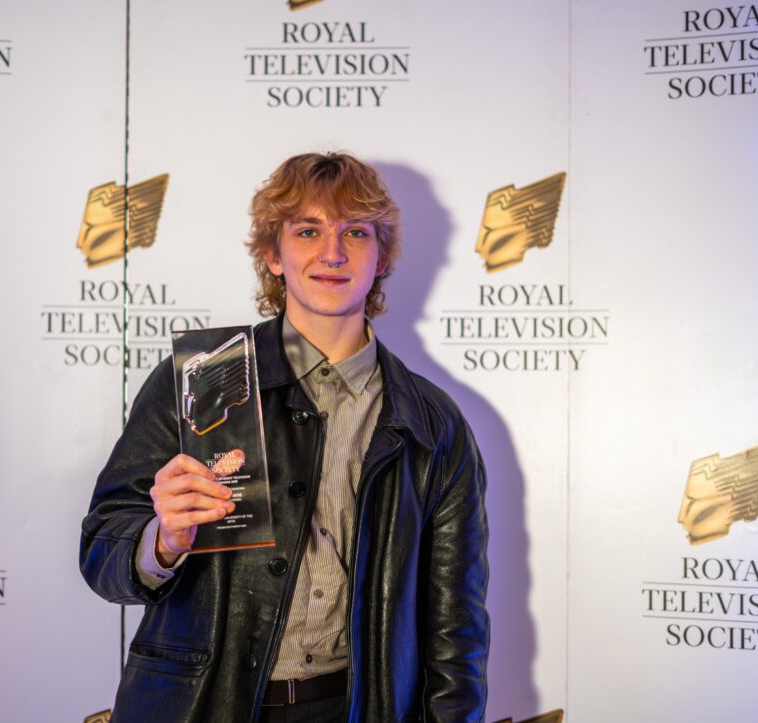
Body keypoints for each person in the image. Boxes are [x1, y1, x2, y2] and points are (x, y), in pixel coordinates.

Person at [80, 152, 489, 722]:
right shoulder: (199, 379)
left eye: (355, 232)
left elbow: (456, 628)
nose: (332, 252)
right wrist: (162, 539)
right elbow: (102, 549)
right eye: (307, 230)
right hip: (202, 707)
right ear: (274, 255)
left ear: (383, 256)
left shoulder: (432, 422)